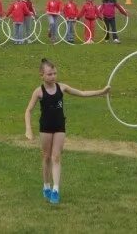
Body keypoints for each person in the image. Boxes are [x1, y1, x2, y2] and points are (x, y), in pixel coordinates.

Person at [24, 58, 110, 205]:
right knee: (46, 157)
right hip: (45, 127)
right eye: (50, 74)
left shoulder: (62, 87)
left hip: (59, 127)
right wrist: (28, 129)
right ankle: (46, 185)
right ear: (42, 75)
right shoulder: (38, 92)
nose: (53, 76)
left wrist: (102, 91)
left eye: (55, 73)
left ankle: (56, 190)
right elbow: (28, 110)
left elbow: (82, 93)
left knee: (56, 157)